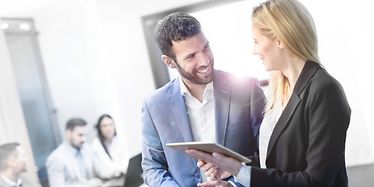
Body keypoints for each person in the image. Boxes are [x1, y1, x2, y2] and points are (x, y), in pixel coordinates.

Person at [187, 0, 351, 187]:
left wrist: (241, 171)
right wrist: (232, 173)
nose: (254, 50)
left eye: (256, 41)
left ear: (280, 39)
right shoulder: (281, 88)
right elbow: (275, 159)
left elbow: (316, 182)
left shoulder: (324, 90)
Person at [141, 12, 266, 187]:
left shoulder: (248, 89)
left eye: (206, 47)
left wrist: (237, 182)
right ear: (169, 62)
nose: (205, 61)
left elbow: (267, 154)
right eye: (191, 56)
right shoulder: (154, 105)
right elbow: (152, 167)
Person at [46, 118, 104, 187]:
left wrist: (116, 171)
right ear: (68, 134)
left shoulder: (87, 148)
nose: (84, 139)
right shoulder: (56, 158)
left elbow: (100, 169)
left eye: (85, 135)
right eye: (80, 135)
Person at [91, 114, 128, 179]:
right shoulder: (96, 146)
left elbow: (126, 162)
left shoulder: (118, 140)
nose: (108, 129)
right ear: (99, 129)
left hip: (123, 176)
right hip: (108, 180)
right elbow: (104, 172)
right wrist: (120, 169)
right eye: (104, 126)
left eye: (110, 125)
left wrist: (120, 169)